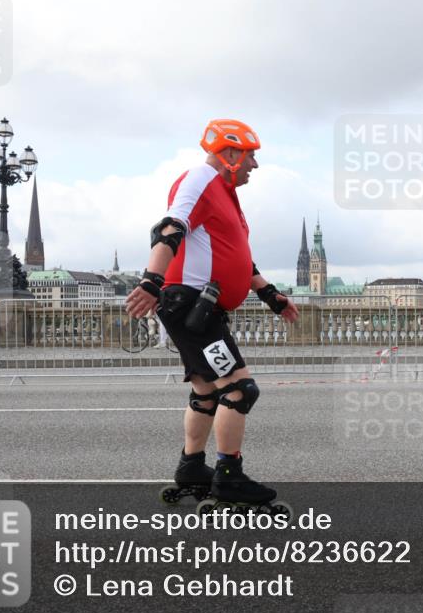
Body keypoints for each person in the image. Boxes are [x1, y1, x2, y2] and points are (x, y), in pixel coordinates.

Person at [125, 119, 299, 505]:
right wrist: (151, 279)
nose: (255, 165)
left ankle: (191, 467)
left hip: (200, 306)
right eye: (252, 156)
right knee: (239, 389)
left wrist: (270, 295)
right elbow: (170, 227)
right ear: (230, 154)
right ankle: (228, 476)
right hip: (189, 304)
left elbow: (238, 258)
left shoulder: (226, 194)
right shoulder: (200, 179)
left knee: (206, 391)